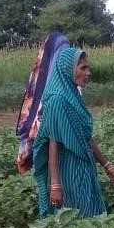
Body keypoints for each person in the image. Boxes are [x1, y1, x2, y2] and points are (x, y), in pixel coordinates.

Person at [32, 47, 114, 218]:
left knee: (91, 216)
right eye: (82, 68)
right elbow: (53, 143)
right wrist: (55, 185)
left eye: (88, 68)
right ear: (68, 69)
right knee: (78, 219)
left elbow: (85, 137)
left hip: (84, 166)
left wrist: (107, 165)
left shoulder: (72, 95)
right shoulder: (57, 99)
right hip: (68, 170)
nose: (88, 73)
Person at [15, 32, 70, 175]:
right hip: (48, 140)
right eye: (61, 51)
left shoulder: (69, 79)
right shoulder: (44, 81)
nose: (62, 56)